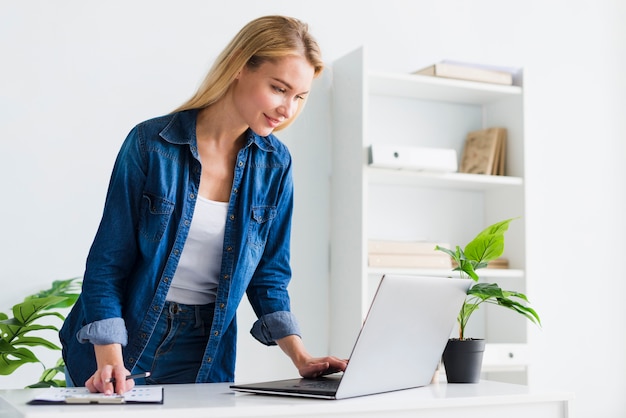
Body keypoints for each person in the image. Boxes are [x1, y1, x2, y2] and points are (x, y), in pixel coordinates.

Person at [60, 15, 347, 395]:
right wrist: (109, 356)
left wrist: (300, 356)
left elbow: (269, 275)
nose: (287, 109)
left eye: (299, 97)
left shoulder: (276, 164)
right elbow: (107, 262)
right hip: (120, 336)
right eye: (279, 89)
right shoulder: (151, 144)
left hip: (205, 346)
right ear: (241, 67)